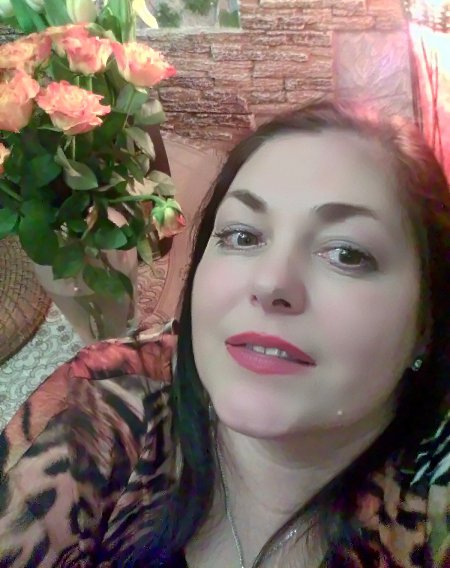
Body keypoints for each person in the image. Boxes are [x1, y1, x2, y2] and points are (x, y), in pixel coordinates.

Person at [0, 101, 448, 568]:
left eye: (347, 254)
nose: (270, 283)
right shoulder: (107, 397)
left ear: (426, 321)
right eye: (242, 236)